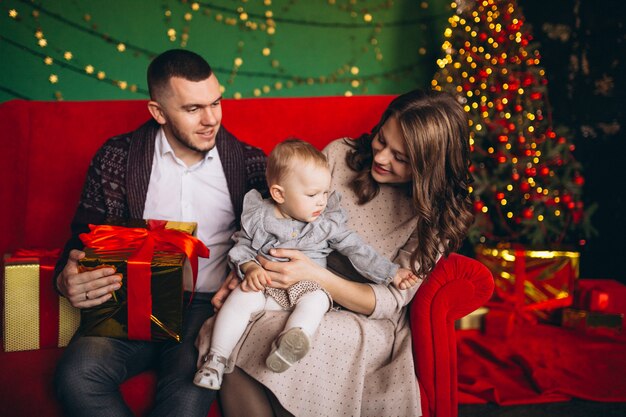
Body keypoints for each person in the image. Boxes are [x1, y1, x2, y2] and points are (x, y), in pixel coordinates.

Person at [197, 89, 474, 416]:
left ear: (430, 167)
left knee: (302, 337)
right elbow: (280, 214)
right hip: (289, 286)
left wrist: (316, 276)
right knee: (238, 324)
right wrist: (245, 269)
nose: (382, 158)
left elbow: (389, 301)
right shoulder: (340, 156)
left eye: (401, 158)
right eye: (382, 140)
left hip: (363, 316)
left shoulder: (433, 217)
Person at [52, 49, 267, 417]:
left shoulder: (250, 164)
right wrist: (64, 278)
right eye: (192, 109)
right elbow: (81, 237)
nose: (211, 119)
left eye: (216, 103)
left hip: (206, 307)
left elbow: (276, 239)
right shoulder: (117, 157)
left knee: (184, 403)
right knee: (75, 377)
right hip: (133, 299)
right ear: (158, 112)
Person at [193, 139, 419, 390]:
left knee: (318, 301)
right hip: (267, 284)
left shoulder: (325, 222)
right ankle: (215, 360)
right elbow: (242, 247)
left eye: (325, 193)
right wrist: (250, 269)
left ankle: (291, 342)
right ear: (279, 194)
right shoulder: (260, 217)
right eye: (313, 195)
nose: (322, 202)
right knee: (240, 299)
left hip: (307, 287)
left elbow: (358, 249)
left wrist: (391, 273)